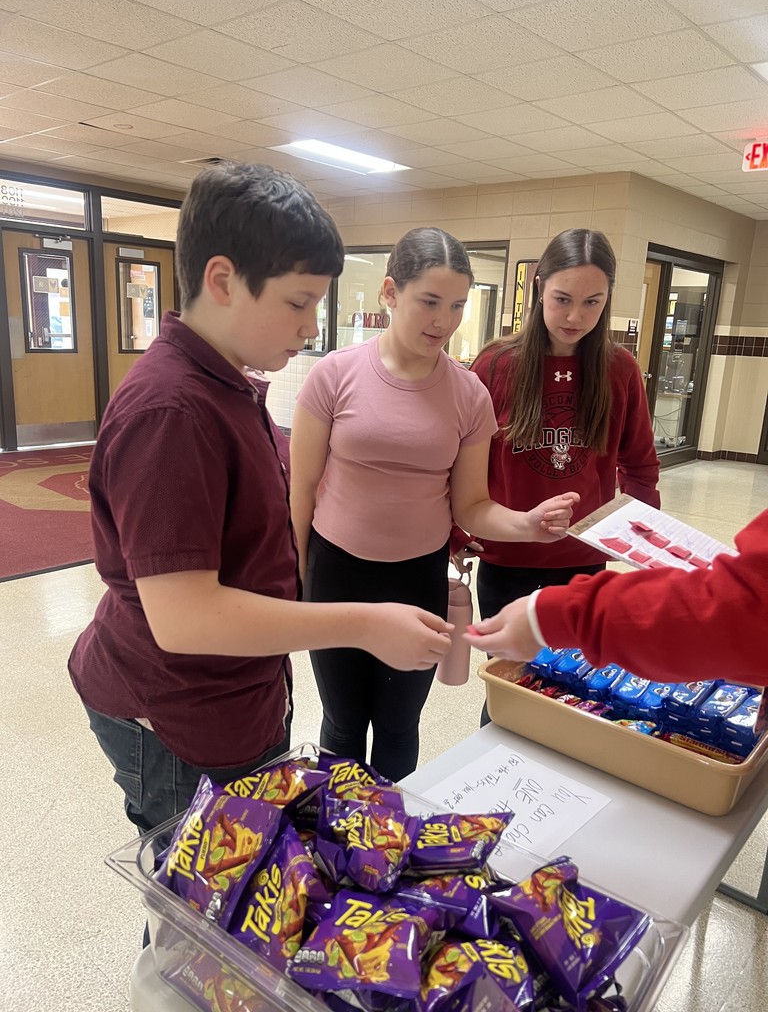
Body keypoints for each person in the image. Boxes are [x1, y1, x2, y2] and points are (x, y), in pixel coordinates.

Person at [68, 164, 456, 837]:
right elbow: (185, 619)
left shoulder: (227, 382)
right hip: (176, 717)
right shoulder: (172, 410)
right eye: (298, 302)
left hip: (230, 697)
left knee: (241, 899)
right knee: (197, 919)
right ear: (222, 280)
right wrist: (361, 624)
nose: (310, 327)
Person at [289, 227, 579, 780]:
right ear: (390, 292)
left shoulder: (468, 393)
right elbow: (300, 491)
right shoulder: (334, 375)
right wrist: (297, 574)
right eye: (429, 301)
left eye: (457, 306)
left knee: (398, 725)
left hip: (417, 576)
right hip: (336, 573)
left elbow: (471, 505)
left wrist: (526, 524)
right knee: (343, 721)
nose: (442, 321)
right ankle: (339, 840)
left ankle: (388, 842)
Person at [454, 228, 660, 723]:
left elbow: (639, 464)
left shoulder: (619, 369)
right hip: (507, 559)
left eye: (592, 303)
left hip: (585, 562)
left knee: (574, 695)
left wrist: (642, 538)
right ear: (538, 288)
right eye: (562, 299)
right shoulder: (497, 364)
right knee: (512, 691)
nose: (575, 317)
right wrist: (456, 531)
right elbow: (462, 463)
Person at [464, 507, 768, 686]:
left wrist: (563, 614)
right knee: (509, 682)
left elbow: (742, 607)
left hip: (581, 556)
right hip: (507, 559)